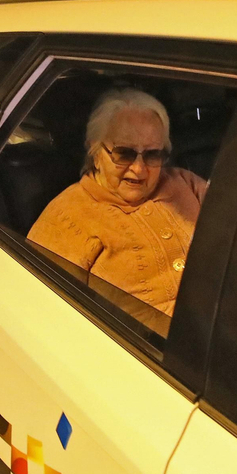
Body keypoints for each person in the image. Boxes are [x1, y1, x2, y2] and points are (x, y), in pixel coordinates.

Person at [27, 88, 206, 317]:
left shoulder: (185, 182)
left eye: (152, 154)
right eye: (124, 154)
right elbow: (41, 313)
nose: (139, 169)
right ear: (95, 152)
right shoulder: (66, 217)